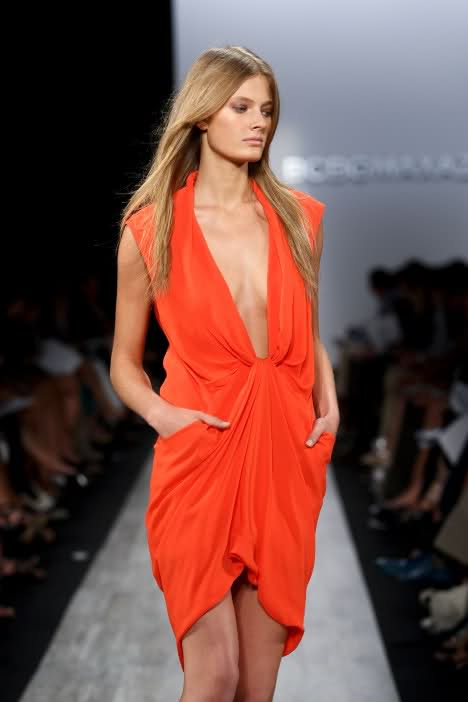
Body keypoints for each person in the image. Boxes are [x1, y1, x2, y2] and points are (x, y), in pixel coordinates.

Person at [110, 45, 340, 702]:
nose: (258, 121)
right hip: (201, 452)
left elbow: (309, 331)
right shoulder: (151, 230)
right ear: (203, 113)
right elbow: (124, 362)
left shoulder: (300, 218)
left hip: (284, 455)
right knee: (215, 676)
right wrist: (164, 416)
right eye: (241, 106)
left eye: (266, 109)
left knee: (255, 687)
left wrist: (329, 407)